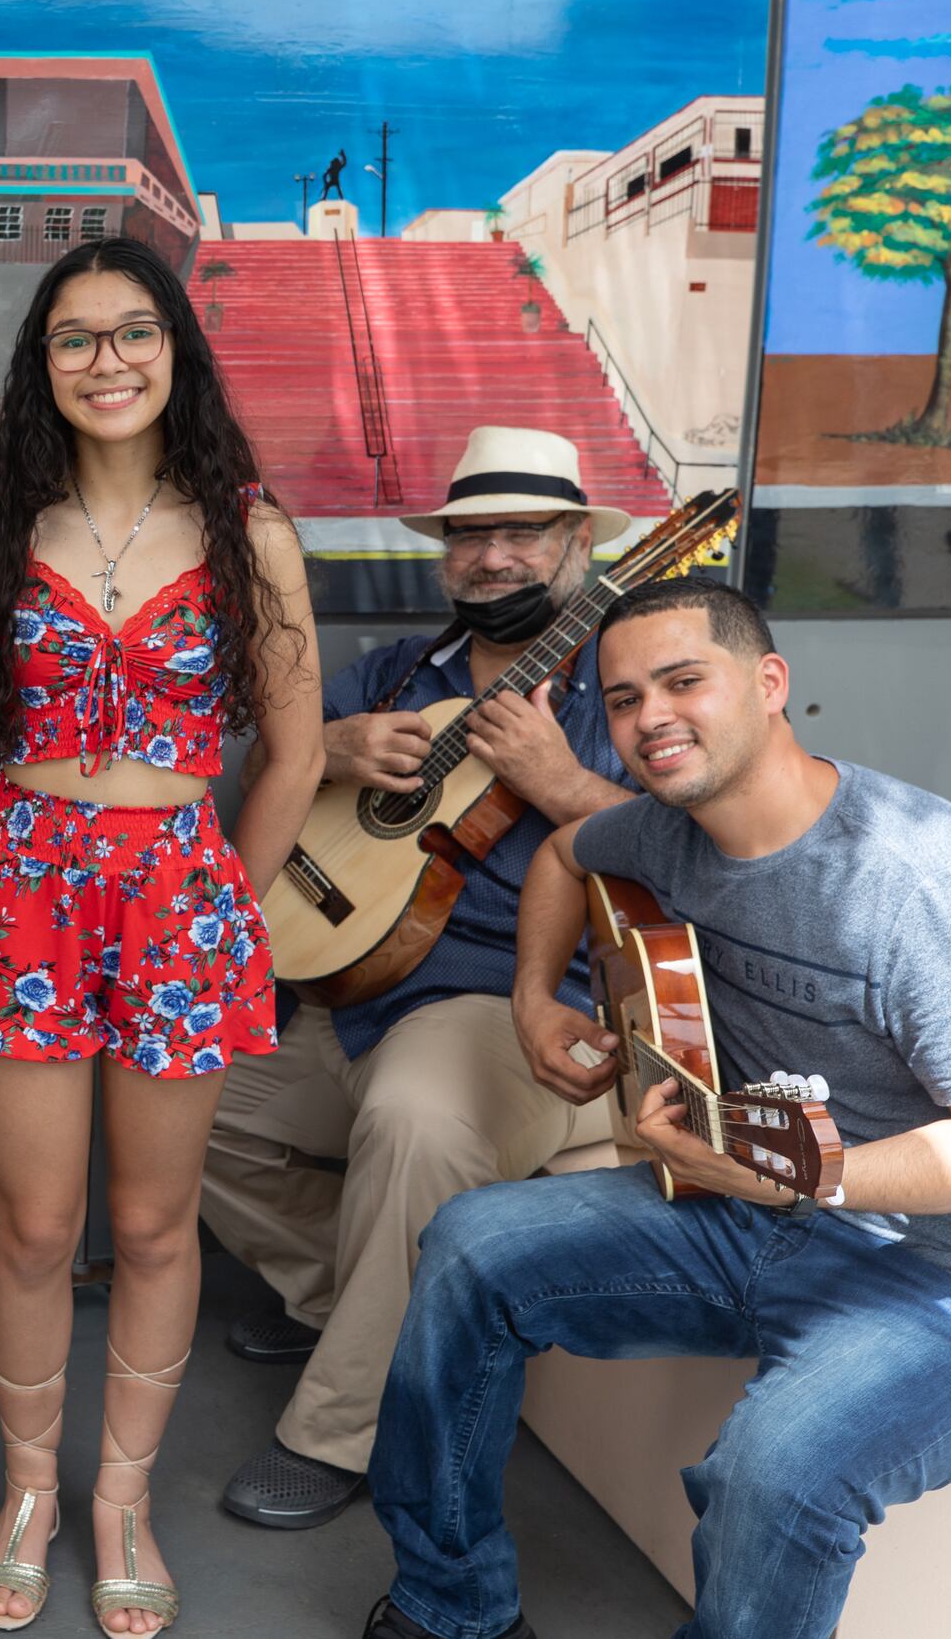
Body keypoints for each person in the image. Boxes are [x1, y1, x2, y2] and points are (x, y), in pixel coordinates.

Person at [363, 575, 951, 1639]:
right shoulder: (671, 833)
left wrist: (801, 1174)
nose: (649, 716)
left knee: (777, 1466)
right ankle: (450, 1606)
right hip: (758, 1212)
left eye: (681, 681)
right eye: (622, 699)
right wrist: (532, 997)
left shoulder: (919, 879)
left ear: (768, 684)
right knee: (471, 1245)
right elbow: (570, 851)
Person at [0, 236, 325, 1634]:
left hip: (183, 896)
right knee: (37, 1222)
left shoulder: (246, 530)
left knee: (154, 1223)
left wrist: (217, 890)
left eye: (134, 332)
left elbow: (291, 747)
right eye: (75, 338)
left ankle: (122, 1497)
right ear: (43, 366)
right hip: (23, 889)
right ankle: (31, 1488)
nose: (108, 361)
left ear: (178, 353)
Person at [201, 425, 634, 1530]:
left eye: (522, 532)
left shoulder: (626, 691)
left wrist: (566, 784)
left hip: (514, 1002)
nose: (493, 555)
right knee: (179, 1089)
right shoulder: (393, 673)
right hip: (349, 994)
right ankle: (345, 1300)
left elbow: (704, 845)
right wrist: (325, 753)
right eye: (470, 533)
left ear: (578, 540)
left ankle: (342, 1429)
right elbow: (258, 781)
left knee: (414, 1118)